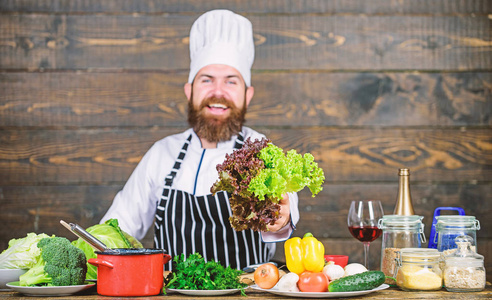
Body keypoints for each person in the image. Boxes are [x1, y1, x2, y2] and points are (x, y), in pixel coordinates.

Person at [101, 9, 299, 270]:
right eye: (207, 80)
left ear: (247, 95)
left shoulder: (263, 151)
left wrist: (279, 219)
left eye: (231, 82)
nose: (218, 92)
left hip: (247, 295)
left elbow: (283, 215)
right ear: (189, 90)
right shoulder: (162, 154)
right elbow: (115, 231)